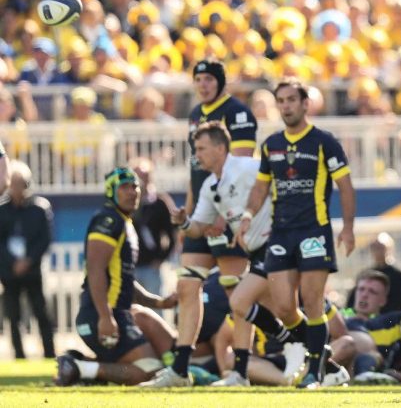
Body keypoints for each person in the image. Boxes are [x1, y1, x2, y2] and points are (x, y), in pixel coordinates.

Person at [238, 77, 356, 389]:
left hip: (313, 231)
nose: (286, 106)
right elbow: (262, 185)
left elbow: (345, 185)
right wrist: (248, 215)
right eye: (282, 100)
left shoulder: (323, 141)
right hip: (281, 235)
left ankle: (314, 374)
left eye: (292, 99)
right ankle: (325, 361)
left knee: (313, 300)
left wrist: (348, 228)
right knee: (283, 307)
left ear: (305, 104)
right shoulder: (271, 144)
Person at [146, 121, 275, 387]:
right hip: (254, 246)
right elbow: (197, 228)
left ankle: (306, 350)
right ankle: (212, 371)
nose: (197, 155)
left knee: (278, 304)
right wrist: (183, 222)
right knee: (220, 294)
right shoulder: (209, 186)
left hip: (274, 243)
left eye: (202, 148)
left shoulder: (247, 167)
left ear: (220, 148)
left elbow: (275, 178)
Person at [156, 60, 257, 386]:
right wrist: (187, 220)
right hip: (201, 212)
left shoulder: (239, 113)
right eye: (197, 79)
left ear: (221, 82)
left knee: (236, 293)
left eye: (208, 78)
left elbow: (241, 171)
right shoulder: (195, 114)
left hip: (227, 216)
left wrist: (226, 217)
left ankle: (240, 371)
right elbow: (195, 173)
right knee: (187, 286)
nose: (202, 84)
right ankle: (180, 369)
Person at [55, 167, 177, 386]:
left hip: (116, 313)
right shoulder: (108, 220)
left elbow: (125, 281)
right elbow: (95, 269)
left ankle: (80, 365)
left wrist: (159, 301)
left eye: (135, 186)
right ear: (111, 191)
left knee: (160, 361)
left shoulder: (125, 222)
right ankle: (80, 369)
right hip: (99, 315)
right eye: (124, 187)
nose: (132, 192)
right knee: (151, 371)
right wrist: (105, 316)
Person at [0, 160, 55, 359]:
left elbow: (45, 239)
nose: (17, 189)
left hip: (32, 270)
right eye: (13, 184)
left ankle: (50, 353)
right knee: (13, 316)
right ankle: (19, 354)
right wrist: (12, 263)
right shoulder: (2, 210)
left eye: (21, 184)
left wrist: (28, 260)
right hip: (9, 271)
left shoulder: (39, 208)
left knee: (41, 312)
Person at [130, 157, 176, 297]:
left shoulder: (159, 203)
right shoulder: (127, 203)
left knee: (154, 309)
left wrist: (161, 259)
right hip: (131, 267)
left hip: (151, 267)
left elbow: (172, 234)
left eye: (144, 176)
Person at [346, 232, 401, 313]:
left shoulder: (398, 275)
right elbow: (352, 302)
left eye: (381, 247)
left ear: (389, 248)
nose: (377, 251)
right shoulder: (364, 274)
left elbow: (399, 304)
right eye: (374, 247)